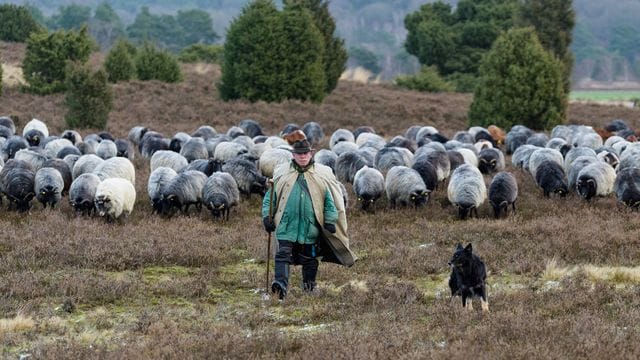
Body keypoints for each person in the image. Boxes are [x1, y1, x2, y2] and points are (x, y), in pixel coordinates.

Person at [262, 133, 356, 300]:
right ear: (293, 155)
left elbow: (330, 201)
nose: (303, 156)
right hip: (286, 225)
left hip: (310, 226)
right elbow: (271, 198)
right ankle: (280, 286)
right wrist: (267, 217)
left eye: (306, 153)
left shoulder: (322, 174)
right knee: (282, 255)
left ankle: (309, 286)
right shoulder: (282, 173)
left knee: (310, 259)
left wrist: (330, 220)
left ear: (311, 154)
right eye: (299, 154)